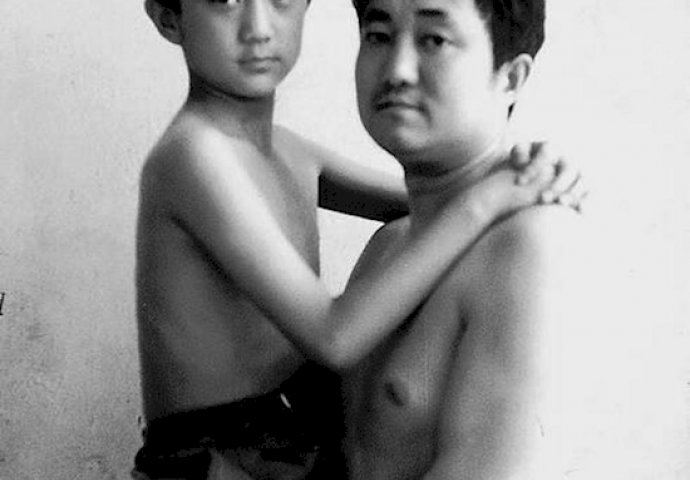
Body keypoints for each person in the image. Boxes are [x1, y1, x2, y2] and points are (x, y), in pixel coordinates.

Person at [134, 0, 584, 478]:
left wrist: (528, 174)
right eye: (379, 36)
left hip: (286, 445)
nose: (259, 29)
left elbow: (436, 201)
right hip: (205, 459)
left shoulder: (291, 153)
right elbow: (335, 335)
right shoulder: (195, 154)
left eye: (434, 39)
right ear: (167, 16)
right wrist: (490, 198)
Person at [344, 0, 589, 478]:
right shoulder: (388, 245)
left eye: (434, 40)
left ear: (511, 77)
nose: (397, 70)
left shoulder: (530, 245)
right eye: (378, 36)